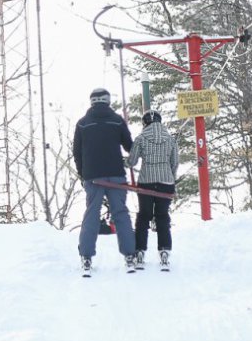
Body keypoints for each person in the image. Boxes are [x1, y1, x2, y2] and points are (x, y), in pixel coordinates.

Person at [72, 87, 138, 274]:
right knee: (121, 213)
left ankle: (86, 256)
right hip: (116, 174)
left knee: (92, 213)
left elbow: (77, 152)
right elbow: (129, 147)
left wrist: (82, 173)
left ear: (92, 101)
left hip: (93, 177)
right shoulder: (117, 120)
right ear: (108, 101)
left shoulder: (82, 123)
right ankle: (129, 255)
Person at [128, 110, 178, 270]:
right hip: (166, 181)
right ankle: (164, 250)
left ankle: (140, 251)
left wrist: (123, 162)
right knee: (163, 216)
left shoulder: (141, 138)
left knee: (144, 216)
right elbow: (175, 162)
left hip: (146, 182)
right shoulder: (171, 139)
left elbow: (132, 161)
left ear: (144, 123)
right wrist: (169, 176)